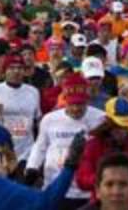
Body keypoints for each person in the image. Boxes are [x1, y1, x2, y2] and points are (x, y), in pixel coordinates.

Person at [28, 74, 107, 210]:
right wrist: (32, 167)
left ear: (88, 100)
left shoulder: (101, 119)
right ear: (64, 99)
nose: (76, 108)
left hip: (86, 192)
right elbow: (40, 146)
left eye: (80, 104)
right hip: (55, 187)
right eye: (72, 104)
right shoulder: (49, 119)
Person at [77, 98, 128, 201]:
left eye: (125, 126)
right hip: (102, 203)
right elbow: (81, 180)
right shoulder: (93, 145)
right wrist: (106, 179)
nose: (121, 130)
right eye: (117, 125)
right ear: (107, 121)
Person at [0, 53, 43, 169]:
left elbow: (38, 120)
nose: (16, 71)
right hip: (2, 152)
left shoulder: (33, 92)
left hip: (27, 153)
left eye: (20, 68)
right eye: (11, 68)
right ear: (5, 71)